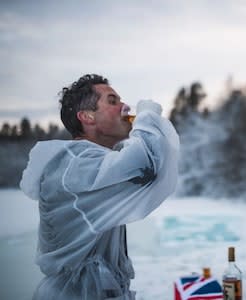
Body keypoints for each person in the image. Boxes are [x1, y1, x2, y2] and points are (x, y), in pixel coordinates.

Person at [20, 74, 179, 299]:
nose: (125, 107)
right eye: (113, 101)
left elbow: (150, 170)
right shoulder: (76, 164)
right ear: (87, 116)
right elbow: (148, 163)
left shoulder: (92, 163)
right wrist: (147, 115)